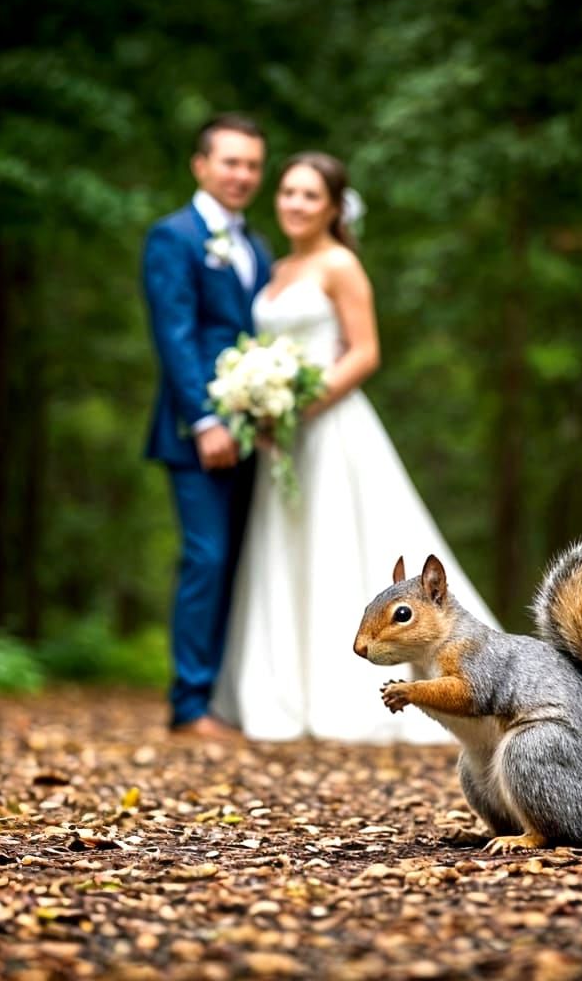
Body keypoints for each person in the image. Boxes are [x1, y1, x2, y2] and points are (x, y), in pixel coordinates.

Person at [210, 152, 500, 743]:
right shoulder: (279, 268)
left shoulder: (341, 265)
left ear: (335, 207)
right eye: (288, 192)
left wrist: (298, 407)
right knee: (285, 550)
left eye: (310, 195)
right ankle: (284, 691)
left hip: (331, 427)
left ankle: (363, 691)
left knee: (333, 542)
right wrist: (262, 407)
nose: (294, 203)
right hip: (282, 443)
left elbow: (365, 351)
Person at [141, 113, 271, 740]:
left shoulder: (257, 248)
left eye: (251, 164)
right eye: (231, 162)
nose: (242, 174)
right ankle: (188, 704)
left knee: (240, 564)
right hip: (199, 433)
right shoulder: (173, 237)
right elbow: (175, 335)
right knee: (207, 557)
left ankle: (223, 697)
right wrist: (204, 418)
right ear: (201, 165)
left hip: (254, 433)